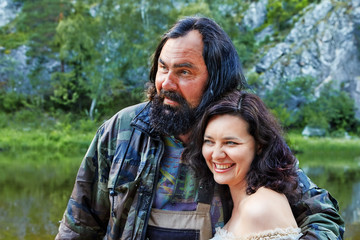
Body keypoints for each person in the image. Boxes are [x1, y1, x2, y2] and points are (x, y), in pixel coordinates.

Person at [56, 16, 344, 240]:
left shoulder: (244, 134)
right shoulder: (121, 130)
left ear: (216, 79)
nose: (166, 83)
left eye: (184, 72)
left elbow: (323, 215)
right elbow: (78, 226)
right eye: (163, 67)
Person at [182, 90, 303, 239]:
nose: (216, 155)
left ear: (259, 145)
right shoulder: (244, 201)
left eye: (230, 143)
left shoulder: (259, 208)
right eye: (209, 141)